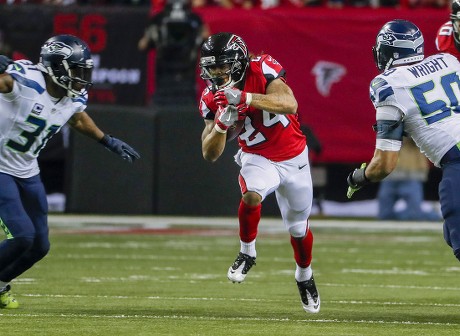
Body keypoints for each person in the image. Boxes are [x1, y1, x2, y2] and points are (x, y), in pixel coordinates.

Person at [0, 34, 140, 309]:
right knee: (22, 236)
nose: (81, 77)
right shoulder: (24, 81)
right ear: (55, 66)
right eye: (76, 70)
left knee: (39, 246)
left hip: (27, 169)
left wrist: (107, 140)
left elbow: (75, 116)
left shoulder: (72, 96)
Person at [198, 32, 320, 313]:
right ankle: (247, 251)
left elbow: (289, 104)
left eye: (222, 66)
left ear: (239, 62)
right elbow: (210, 153)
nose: (216, 73)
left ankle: (304, 275)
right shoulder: (210, 97)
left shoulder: (262, 67)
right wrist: (220, 125)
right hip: (257, 156)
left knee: (299, 229)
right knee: (251, 195)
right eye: (212, 67)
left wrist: (246, 98)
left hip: (293, 157)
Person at [346, 20, 460, 263]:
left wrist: (359, 177)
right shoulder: (448, 61)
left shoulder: (387, 84)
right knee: (451, 233)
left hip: (457, 161)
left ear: (389, 51)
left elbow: (384, 164)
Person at [138, 0, 209, 105]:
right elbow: (142, 45)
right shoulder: (159, 19)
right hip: (164, 80)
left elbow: (208, 42)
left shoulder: (194, 19)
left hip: (186, 80)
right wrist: (153, 35)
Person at [377, 136, 441, 221]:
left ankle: (433, 214)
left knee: (413, 215)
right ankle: (426, 213)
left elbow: (419, 138)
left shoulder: (418, 124)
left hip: (412, 174)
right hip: (391, 174)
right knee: (384, 215)